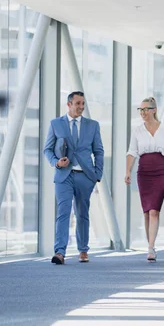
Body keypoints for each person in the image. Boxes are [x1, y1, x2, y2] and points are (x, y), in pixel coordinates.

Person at [43, 91, 104, 265]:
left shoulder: (93, 125)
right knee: (63, 213)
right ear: (69, 104)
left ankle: (83, 250)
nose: (81, 107)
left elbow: (99, 151)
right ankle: (60, 252)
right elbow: (47, 149)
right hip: (64, 176)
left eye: (83, 103)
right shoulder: (56, 124)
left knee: (82, 213)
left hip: (85, 176)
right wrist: (56, 162)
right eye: (78, 104)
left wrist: (97, 174)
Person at [126, 97, 164, 262]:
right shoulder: (137, 131)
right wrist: (128, 171)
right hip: (144, 172)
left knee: (155, 210)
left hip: (161, 172)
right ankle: (150, 244)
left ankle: (151, 247)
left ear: (154, 110)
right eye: (140, 110)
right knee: (147, 212)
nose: (143, 113)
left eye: (146, 109)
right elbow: (132, 152)